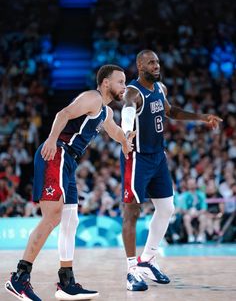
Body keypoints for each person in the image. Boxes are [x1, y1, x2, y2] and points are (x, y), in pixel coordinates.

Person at [5, 64, 135, 301]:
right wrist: (51, 141)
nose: (124, 86)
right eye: (120, 81)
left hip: (69, 162)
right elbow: (62, 114)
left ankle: (66, 282)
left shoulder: (105, 112)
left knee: (70, 219)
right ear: (106, 82)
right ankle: (19, 278)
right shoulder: (92, 98)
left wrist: (125, 141)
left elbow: (115, 132)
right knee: (53, 216)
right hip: (57, 153)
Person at [120, 49, 223, 291]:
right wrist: (125, 132)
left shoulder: (160, 88)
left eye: (157, 61)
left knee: (167, 208)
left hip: (158, 157)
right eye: (151, 63)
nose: (156, 66)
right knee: (131, 212)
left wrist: (201, 117)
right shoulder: (134, 91)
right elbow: (126, 109)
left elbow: (171, 111)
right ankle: (131, 269)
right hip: (137, 157)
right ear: (139, 65)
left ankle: (147, 259)